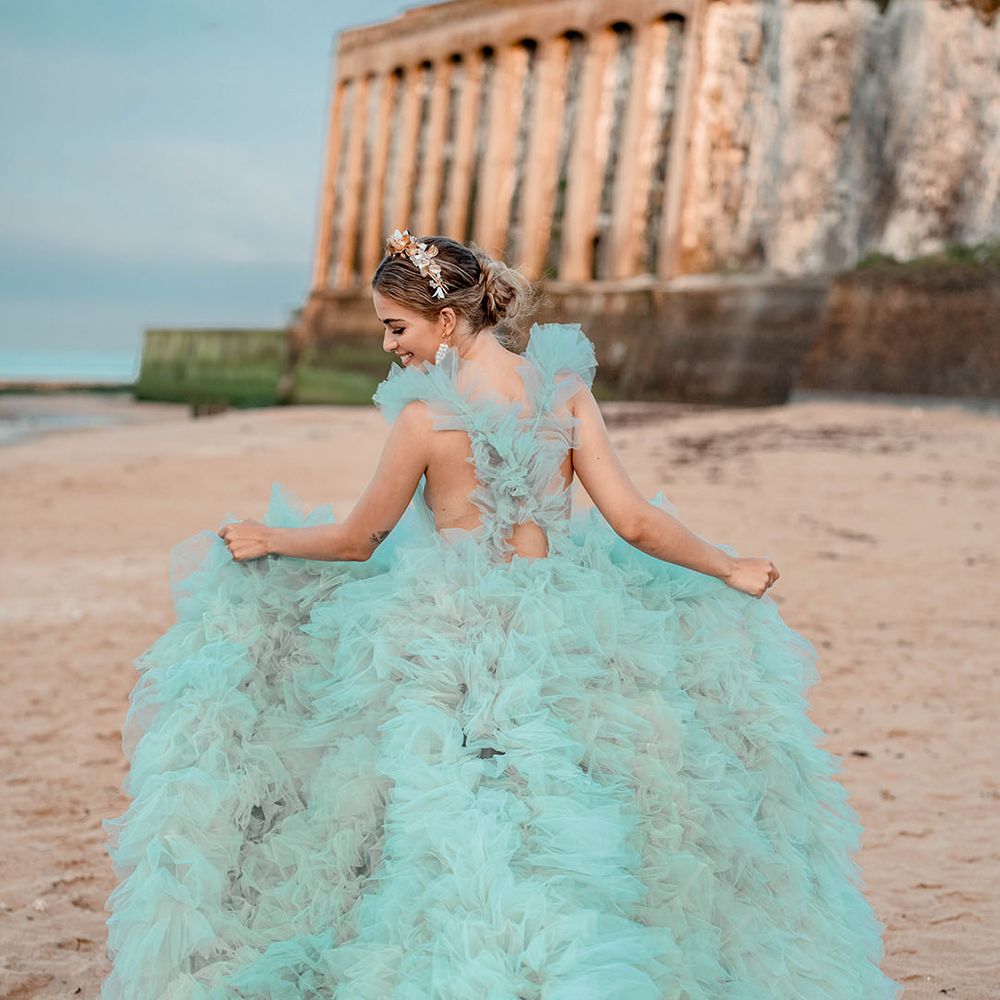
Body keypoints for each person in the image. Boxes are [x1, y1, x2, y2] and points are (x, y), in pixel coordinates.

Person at [101, 231, 902, 998]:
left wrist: (271, 536)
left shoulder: (425, 419)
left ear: (446, 320)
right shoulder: (562, 388)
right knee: (577, 800)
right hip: (567, 618)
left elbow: (357, 539)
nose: (389, 346)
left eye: (396, 327)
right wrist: (729, 564)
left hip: (454, 627)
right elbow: (633, 522)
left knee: (451, 801)